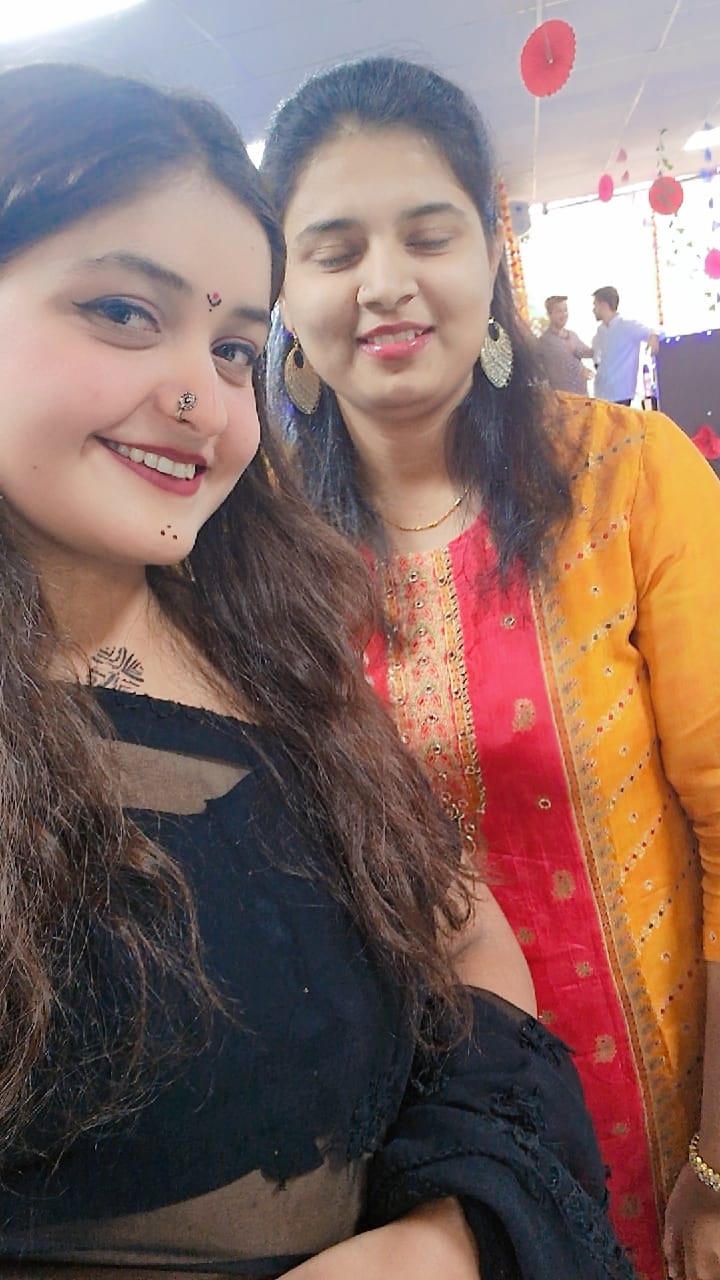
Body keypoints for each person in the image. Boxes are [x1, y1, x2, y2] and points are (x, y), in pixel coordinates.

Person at [0, 60, 634, 1280]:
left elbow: (462, 931)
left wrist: (446, 1234)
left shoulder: (269, 639)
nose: (198, 395)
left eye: (235, 347)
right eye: (123, 310)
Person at [261, 54, 720, 1280]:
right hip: (415, 1176)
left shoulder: (632, 480)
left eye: (428, 234)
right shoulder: (258, 552)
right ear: (284, 289)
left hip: (670, 1128)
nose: (386, 283)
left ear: (491, 252)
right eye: (335, 249)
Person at [591, 286, 660, 405]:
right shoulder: (600, 331)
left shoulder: (628, 327)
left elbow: (654, 332)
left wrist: (653, 337)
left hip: (621, 394)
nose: (593, 310)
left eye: (595, 305)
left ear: (604, 305)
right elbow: (596, 355)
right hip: (601, 394)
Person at [537, 294, 593, 393]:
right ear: (549, 314)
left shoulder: (572, 335)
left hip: (582, 396)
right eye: (559, 311)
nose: (564, 314)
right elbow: (543, 370)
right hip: (562, 397)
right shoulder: (545, 341)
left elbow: (586, 352)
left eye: (565, 310)